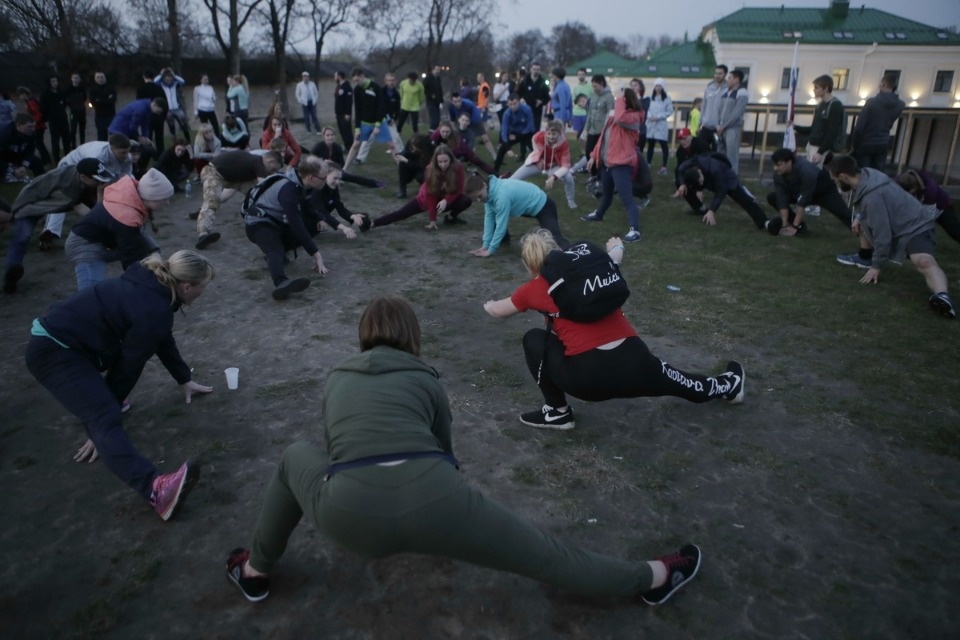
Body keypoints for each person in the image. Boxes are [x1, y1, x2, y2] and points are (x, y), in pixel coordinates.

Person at [224, 295, 702, 606]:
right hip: (436, 498)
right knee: (547, 555)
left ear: (362, 336)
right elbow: (445, 448)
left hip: (348, 511)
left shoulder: (338, 377)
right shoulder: (424, 377)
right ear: (413, 337)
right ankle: (654, 576)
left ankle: (255, 569)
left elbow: (335, 448)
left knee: (294, 457)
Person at [483, 230, 744, 431]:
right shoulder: (595, 271)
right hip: (637, 364)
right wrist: (617, 247)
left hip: (587, 380)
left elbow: (499, 311)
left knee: (534, 339)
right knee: (684, 382)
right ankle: (729, 385)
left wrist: (488, 304)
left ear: (530, 266)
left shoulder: (534, 288)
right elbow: (615, 258)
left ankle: (556, 411)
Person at [26, 250, 215, 521]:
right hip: (54, 352)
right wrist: (99, 420)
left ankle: (102, 422)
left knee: (104, 411)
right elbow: (128, 366)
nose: (203, 292)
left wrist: (183, 378)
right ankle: (155, 491)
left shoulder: (151, 287)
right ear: (186, 287)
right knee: (106, 417)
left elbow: (161, 338)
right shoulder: (153, 306)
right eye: (203, 286)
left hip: (76, 346)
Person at [829, 155, 955, 318]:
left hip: (915, 225)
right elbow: (866, 205)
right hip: (898, 223)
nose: (836, 184)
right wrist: (859, 217)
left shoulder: (872, 196)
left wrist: (876, 266)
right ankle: (864, 257)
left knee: (923, 261)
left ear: (843, 177)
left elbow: (883, 235)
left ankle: (942, 297)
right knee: (866, 222)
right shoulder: (866, 174)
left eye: (835, 181)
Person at [3, 158, 114, 293]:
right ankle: (12, 270)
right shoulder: (64, 182)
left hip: (62, 202)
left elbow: (96, 214)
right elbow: (88, 212)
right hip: (33, 205)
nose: (101, 182)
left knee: (99, 220)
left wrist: (99, 194)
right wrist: (16, 210)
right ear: (84, 177)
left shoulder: (90, 182)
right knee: (22, 237)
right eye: (97, 179)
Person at [64, 168, 173, 290]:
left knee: (143, 254)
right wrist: (143, 283)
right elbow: (130, 256)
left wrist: (154, 252)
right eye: (164, 199)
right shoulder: (126, 216)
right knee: (90, 292)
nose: (168, 202)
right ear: (150, 197)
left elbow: (139, 233)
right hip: (83, 245)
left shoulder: (132, 197)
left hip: (103, 240)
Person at [241, 155, 330, 300]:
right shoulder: (289, 190)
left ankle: (277, 256)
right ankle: (281, 283)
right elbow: (296, 224)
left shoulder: (298, 183)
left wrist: (320, 218)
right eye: (323, 177)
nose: (325, 180)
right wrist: (316, 254)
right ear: (309, 177)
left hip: (275, 222)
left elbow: (307, 206)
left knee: (312, 225)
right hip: (258, 224)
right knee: (274, 246)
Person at [579, 89, 644, 243]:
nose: (616, 99)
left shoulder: (634, 117)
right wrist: (594, 156)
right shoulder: (614, 117)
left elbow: (621, 118)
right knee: (606, 193)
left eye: (619, 98)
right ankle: (599, 215)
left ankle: (635, 230)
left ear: (626, 100)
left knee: (626, 198)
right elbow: (603, 138)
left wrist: (620, 99)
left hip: (621, 164)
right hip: (608, 163)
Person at [366, 144, 470, 231]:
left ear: (451, 159)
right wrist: (432, 219)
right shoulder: (430, 169)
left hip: (445, 199)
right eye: (440, 162)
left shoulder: (458, 167)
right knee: (401, 213)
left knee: (466, 200)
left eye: (445, 161)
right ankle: (372, 223)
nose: (443, 165)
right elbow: (430, 195)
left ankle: (451, 218)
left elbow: (459, 189)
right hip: (426, 199)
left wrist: (446, 201)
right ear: (436, 161)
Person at [193, 149, 283, 248]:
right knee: (212, 201)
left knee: (232, 197)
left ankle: (202, 212)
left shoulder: (255, 161)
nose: (272, 172)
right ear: (271, 161)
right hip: (212, 172)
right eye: (273, 169)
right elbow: (264, 185)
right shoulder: (258, 162)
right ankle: (203, 234)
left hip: (233, 178)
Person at [466, 174, 568, 257]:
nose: (479, 201)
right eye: (475, 199)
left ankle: (573, 254)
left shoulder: (501, 196)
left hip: (544, 206)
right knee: (495, 218)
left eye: (479, 196)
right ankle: (504, 239)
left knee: (554, 240)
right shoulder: (488, 195)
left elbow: (501, 224)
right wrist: (485, 245)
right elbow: (489, 218)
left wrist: (490, 250)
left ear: (485, 185)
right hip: (528, 207)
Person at [765, 148, 852, 236]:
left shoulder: (806, 170)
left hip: (824, 191)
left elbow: (803, 200)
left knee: (843, 213)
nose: (775, 168)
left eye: (779, 165)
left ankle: (862, 231)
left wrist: (795, 226)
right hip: (799, 192)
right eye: (774, 165)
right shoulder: (778, 174)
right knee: (773, 197)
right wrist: (784, 225)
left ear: (789, 162)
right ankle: (800, 226)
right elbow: (782, 199)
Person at [674, 153, 768, 229]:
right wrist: (682, 185)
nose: (701, 183)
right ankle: (700, 209)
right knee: (685, 189)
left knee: (745, 199)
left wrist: (712, 210)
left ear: (699, 171)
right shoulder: (684, 167)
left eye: (701, 180)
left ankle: (764, 222)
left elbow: (721, 191)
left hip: (727, 179)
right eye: (699, 182)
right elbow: (679, 172)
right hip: (707, 177)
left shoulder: (714, 169)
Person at [508, 120, 576, 209]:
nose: (551, 137)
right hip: (537, 163)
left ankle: (571, 200)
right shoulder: (540, 135)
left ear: (559, 133)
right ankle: (506, 196)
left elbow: (566, 166)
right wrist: (539, 156)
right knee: (513, 179)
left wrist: (553, 177)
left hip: (553, 166)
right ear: (546, 132)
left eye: (554, 134)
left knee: (568, 177)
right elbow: (533, 139)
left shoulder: (564, 144)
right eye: (549, 134)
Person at [851, 72, 905, 171]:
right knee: (878, 174)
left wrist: (854, 146)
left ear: (883, 84)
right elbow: (889, 123)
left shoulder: (871, 102)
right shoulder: (900, 105)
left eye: (880, 83)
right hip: (883, 142)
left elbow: (859, 127)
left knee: (865, 174)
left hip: (866, 143)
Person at [895, 169, 960, 245]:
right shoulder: (897, 181)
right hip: (923, 204)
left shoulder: (930, 191)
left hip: (942, 206)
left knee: (955, 232)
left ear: (915, 189)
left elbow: (926, 217)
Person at [310, 126, 384, 189]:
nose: (330, 137)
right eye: (328, 135)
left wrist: (332, 164)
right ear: (323, 137)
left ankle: (374, 183)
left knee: (351, 177)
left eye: (332, 135)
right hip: (320, 172)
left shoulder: (337, 148)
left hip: (334, 171)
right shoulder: (318, 147)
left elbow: (341, 165)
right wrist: (322, 162)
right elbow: (310, 162)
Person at [571, 75, 614, 175]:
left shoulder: (609, 97)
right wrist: (586, 129)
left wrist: (606, 129)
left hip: (602, 130)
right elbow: (590, 114)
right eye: (593, 86)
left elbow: (611, 114)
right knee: (589, 152)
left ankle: (600, 176)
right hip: (592, 130)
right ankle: (593, 174)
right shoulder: (593, 96)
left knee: (600, 154)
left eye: (596, 86)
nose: (594, 89)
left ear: (602, 84)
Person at [343, 69, 385, 170]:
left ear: (362, 76)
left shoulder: (375, 87)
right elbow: (358, 110)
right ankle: (344, 169)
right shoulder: (357, 90)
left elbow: (381, 106)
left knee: (392, 145)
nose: (356, 82)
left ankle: (403, 168)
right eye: (354, 81)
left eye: (357, 80)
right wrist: (357, 128)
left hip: (379, 122)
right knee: (355, 144)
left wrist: (378, 125)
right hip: (364, 123)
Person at [493, 94, 535, 175]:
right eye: (510, 104)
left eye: (515, 104)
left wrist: (518, 136)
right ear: (508, 104)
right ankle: (495, 171)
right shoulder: (507, 113)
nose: (513, 106)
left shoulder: (527, 109)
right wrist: (508, 148)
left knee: (535, 150)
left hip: (527, 133)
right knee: (502, 149)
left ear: (519, 102)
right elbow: (504, 131)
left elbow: (530, 126)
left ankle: (545, 166)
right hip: (514, 133)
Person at [716, 70, 747, 174]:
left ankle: (732, 181)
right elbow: (719, 110)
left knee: (731, 156)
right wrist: (718, 125)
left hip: (732, 129)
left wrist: (724, 125)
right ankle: (721, 179)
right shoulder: (726, 92)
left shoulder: (741, 92)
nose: (727, 80)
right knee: (721, 155)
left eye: (730, 78)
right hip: (721, 129)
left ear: (737, 79)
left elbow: (737, 113)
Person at [448, 93, 496, 159]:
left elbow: (471, 118)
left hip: (474, 120)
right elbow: (452, 120)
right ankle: (468, 158)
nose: (458, 103)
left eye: (459, 101)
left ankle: (495, 156)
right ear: (452, 102)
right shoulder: (450, 107)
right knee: (465, 141)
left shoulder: (468, 105)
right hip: (462, 121)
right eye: (455, 102)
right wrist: (453, 131)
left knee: (485, 138)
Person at [1, 113, 44, 182]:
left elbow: (30, 150)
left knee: (36, 162)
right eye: (29, 127)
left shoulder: (31, 133)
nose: (33, 129)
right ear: (18, 126)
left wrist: (24, 166)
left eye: (34, 126)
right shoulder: (5, 134)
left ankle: (43, 182)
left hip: (16, 151)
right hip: (3, 154)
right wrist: (12, 170)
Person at [40, 76, 72, 161]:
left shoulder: (61, 93)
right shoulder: (45, 94)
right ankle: (57, 159)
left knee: (66, 140)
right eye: (53, 81)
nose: (55, 83)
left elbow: (65, 103)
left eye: (56, 81)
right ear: (49, 83)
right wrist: (49, 114)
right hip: (53, 121)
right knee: (55, 141)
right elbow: (42, 107)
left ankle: (68, 157)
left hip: (63, 119)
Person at [645, 79, 673, 175]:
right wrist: (650, 117)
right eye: (656, 86)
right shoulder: (651, 98)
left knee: (664, 146)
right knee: (650, 145)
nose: (658, 88)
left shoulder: (666, 99)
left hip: (660, 125)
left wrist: (658, 117)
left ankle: (664, 166)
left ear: (663, 87)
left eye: (659, 86)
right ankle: (648, 163)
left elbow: (669, 111)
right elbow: (647, 109)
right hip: (651, 125)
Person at [392, 133, 432, 199]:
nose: (414, 150)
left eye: (416, 148)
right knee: (402, 163)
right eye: (413, 147)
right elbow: (406, 152)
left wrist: (407, 161)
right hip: (411, 167)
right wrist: (399, 155)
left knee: (420, 177)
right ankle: (402, 190)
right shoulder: (410, 143)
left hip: (422, 170)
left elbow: (423, 166)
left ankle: (424, 190)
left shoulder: (428, 149)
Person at [155, 68, 190, 141]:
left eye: (170, 78)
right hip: (168, 110)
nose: (168, 80)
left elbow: (182, 81)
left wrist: (173, 74)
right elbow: (155, 81)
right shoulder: (161, 85)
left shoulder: (175, 84)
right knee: (171, 127)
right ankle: (175, 142)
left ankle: (188, 140)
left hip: (177, 108)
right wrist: (161, 74)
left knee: (184, 125)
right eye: (167, 79)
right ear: (164, 79)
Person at [18, 86, 51, 165]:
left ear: (24, 94)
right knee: (39, 143)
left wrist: (33, 122)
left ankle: (45, 160)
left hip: (37, 126)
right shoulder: (30, 101)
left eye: (20, 94)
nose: (20, 97)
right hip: (37, 126)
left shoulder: (31, 102)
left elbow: (38, 113)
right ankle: (46, 159)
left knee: (39, 144)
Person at [699, 64, 727, 149]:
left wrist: (721, 125)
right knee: (701, 150)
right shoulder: (709, 87)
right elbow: (704, 105)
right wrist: (699, 123)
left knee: (716, 152)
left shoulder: (727, 89)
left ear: (725, 74)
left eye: (720, 73)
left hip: (717, 128)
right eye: (716, 73)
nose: (717, 76)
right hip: (706, 126)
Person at [517, 62, 550, 132]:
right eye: (534, 69)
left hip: (537, 110)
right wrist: (521, 99)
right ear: (531, 69)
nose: (536, 71)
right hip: (526, 108)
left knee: (535, 129)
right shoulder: (525, 81)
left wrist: (541, 101)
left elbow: (547, 97)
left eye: (537, 69)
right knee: (525, 128)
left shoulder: (542, 82)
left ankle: (534, 142)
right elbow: (518, 93)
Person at [89, 71, 117, 142]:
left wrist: (99, 100)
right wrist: (107, 99)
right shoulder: (92, 90)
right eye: (98, 77)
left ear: (105, 78)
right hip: (100, 117)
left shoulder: (111, 88)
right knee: (101, 138)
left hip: (111, 116)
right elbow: (94, 103)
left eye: (102, 77)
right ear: (95, 79)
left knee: (114, 137)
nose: (100, 79)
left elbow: (113, 100)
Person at [193, 74, 220, 139]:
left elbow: (214, 98)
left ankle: (218, 139)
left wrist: (213, 98)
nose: (206, 80)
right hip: (202, 110)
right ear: (201, 80)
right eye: (204, 79)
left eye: (207, 79)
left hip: (210, 109)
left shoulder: (210, 88)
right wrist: (196, 112)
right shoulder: (197, 88)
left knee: (215, 125)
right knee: (205, 127)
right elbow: (195, 100)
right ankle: (206, 140)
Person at [65, 72, 88, 148]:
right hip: (73, 113)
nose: (75, 79)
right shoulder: (68, 89)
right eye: (74, 78)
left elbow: (85, 98)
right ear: (71, 79)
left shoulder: (82, 89)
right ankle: (73, 146)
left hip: (82, 112)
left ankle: (82, 145)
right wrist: (72, 106)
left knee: (82, 130)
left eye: (77, 78)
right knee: (73, 130)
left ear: (80, 79)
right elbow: (66, 101)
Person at [333, 70, 354, 148]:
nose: (334, 78)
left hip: (345, 114)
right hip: (338, 113)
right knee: (342, 131)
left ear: (339, 76)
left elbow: (349, 101)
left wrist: (348, 113)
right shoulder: (338, 86)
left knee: (347, 131)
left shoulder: (347, 86)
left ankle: (351, 147)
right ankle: (346, 146)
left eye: (335, 76)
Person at [424, 65, 444, 131]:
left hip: (437, 103)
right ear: (433, 70)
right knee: (434, 120)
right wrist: (431, 95)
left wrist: (441, 101)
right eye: (437, 70)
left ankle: (435, 134)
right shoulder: (428, 78)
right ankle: (431, 134)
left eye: (439, 70)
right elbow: (424, 89)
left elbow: (440, 90)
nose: (438, 71)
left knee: (438, 121)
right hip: (431, 102)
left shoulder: (438, 78)